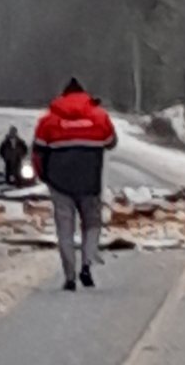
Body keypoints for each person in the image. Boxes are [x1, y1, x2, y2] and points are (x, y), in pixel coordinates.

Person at [33, 78, 117, 291]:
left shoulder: (48, 121)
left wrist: (44, 176)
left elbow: (37, 153)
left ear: (62, 96)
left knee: (65, 229)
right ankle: (87, 264)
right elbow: (111, 142)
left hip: (59, 182)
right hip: (90, 182)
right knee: (92, 224)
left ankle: (69, 276)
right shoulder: (99, 117)